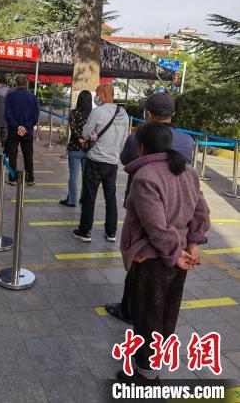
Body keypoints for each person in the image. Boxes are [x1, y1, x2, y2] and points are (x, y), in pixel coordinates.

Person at [116, 122, 210, 385]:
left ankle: (146, 375)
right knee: (167, 311)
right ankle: (152, 364)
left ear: (141, 147)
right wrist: (191, 245)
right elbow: (201, 212)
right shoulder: (188, 172)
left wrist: (175, 253)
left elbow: (155, 226)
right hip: (178, 255)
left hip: (152, 258)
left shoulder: (145, 176)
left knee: (147, 315)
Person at [106, 92, 194, 323]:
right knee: (168, 288)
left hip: (144, 208)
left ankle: (130, 311)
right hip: (178, 211)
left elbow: (126, 160)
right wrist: (192, 243)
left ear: (147, 114)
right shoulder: (187, 141)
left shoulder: (138, 138)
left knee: (140, 262)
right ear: (173, 113)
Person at [73, 83, 129, 243]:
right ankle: (111, 232)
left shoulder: (97, 112)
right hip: (112, 163)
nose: (96, 98)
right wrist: (115, 153)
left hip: (95, 161)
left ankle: (85, 231)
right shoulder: (123, 114)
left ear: (105, 95)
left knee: (89, 197)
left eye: (98, 95)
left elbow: (85, 133)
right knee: (110, 198)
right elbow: (124, 139)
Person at [5, 74, 39, 186]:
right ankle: (30, 178)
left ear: (16, 83)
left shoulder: (10, 96)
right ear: (26, 83)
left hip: (13, 130)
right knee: (28, 155)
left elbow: (8, 114)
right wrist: (26, 127)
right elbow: (35, 115)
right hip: (27, 131)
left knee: (12, 155)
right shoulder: (33, 97)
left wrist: (17, 126)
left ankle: (12, 178)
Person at [59, 90, 92, 207]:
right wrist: (85, 140)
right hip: (88, 149)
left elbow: (73, 128)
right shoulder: (93, 114)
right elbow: (94, 130)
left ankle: (72, 200)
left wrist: (79, 139)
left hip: (74, 147)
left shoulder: (73, 113)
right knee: (86, 176)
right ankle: (84, 199)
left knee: (73, 176)